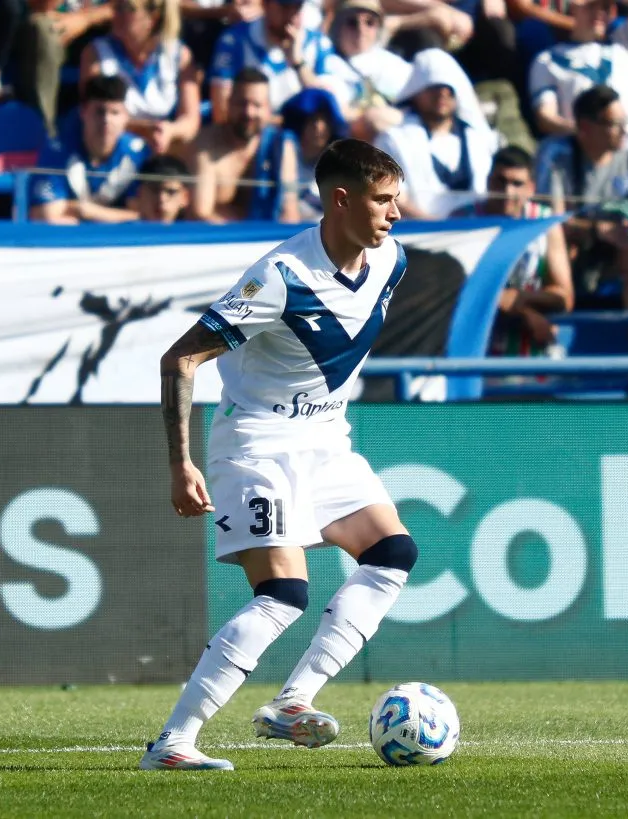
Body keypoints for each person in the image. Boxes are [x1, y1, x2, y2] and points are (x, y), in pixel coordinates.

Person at [141, 138, 415, 772]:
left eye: (396, 199)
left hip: (326, 443)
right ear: (340, 200)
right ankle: (174, 742)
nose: (395, 213)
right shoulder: (280, 278)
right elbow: (180, 358)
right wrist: (180, 463)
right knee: (284, 593)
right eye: (382, 199)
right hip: (257, 445)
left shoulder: (392, 260)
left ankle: (293, 701)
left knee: (393, 552)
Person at [534, 84, 628, 353]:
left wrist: (608, 232)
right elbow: (551, 220)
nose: (624, 130)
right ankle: (551, 339)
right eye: (614, 124)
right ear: (585, 127)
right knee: (553, 246)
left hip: (617, 246)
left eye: (625, 122)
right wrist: (595, 230)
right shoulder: (555, 153)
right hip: (571, 242)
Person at [453, 145, 574, 357]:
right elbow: (454, 289)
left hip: (527, 348)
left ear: (531, 188)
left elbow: (564, 296)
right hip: (473, 343)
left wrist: (516, 299)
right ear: (489, 181)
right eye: (501, 181)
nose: (508, 192)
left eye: (517, 184)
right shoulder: (463, 220)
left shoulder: (544, 223)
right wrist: (522, 311)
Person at [374, 48, 497, 218]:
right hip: (421, 236)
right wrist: (437, 227)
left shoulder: (478, 139)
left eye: (449, 89)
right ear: (416, 92)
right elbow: (394, 197)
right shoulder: (393, 139)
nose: (442, 94)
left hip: (478, 232)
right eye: (434, 88)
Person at [78, 0, 201, 154]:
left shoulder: (179, 55)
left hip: (163, 150)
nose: (116, 14)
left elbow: (191, 120)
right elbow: (91, 112)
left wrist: (169, 130)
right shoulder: (95, 53)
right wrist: (142, 129)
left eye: (127, 8)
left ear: (152, 18)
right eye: (117, 7)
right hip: (111, 151)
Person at [29, 73, 148, 224]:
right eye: (99, 111)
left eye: (115, 112)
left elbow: (143, 216)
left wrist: (83, 210)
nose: (106, 120)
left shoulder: (138, 153)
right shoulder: (57, 150)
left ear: (126, 117)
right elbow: (44, 216)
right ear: (83, 112)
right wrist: (114, 216)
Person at [188, 66, 300, 222]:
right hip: (219, 240)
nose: (249, 112)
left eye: (257, 105)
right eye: (242, 103)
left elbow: (289, 210)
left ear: (268, 109)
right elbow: (200, 214)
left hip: (266, 239)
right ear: (229, 103)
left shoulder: (279, 146)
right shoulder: (206, 145)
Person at [527, 0, 628, 137]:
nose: (599, 13)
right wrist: (590, 133)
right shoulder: (547, 60)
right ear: (573, 8)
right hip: (581, 148)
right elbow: (546, 118)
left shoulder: (623, 47)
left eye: (605, 8)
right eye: (591, 6)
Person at [209, 0, 340, 122]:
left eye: (297, 7)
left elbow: (330, 109)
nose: (292, 15)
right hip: (251, 136)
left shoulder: (319, 44)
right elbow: (221, 111)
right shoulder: (234, 40)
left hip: (303, 141)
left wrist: (299, 64)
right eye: (285, 7)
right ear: (265, 5)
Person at [17, 0, 114, 136]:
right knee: (44, 28)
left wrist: (87, 18)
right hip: (57, 25)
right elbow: (40, 6)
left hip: (102, 24)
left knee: (134, 20)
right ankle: (45, 132)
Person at [325, 0, 412, 137]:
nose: (361, 29)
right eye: (352, 23)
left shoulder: (395, 64)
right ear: (338, 26)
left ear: (378, 27)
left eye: (369, 22)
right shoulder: (328, 63)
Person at [281, 87, 348, 220]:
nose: (319, 127)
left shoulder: (336, 164)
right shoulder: (283, 155)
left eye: (325, 121)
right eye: (312, 120)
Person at [132, 153, 191, 220]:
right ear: (139, 193)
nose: (161, 198)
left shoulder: (197, 230)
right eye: (154, 189)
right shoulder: (124, 230)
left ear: (185, 197)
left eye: (170, 192)